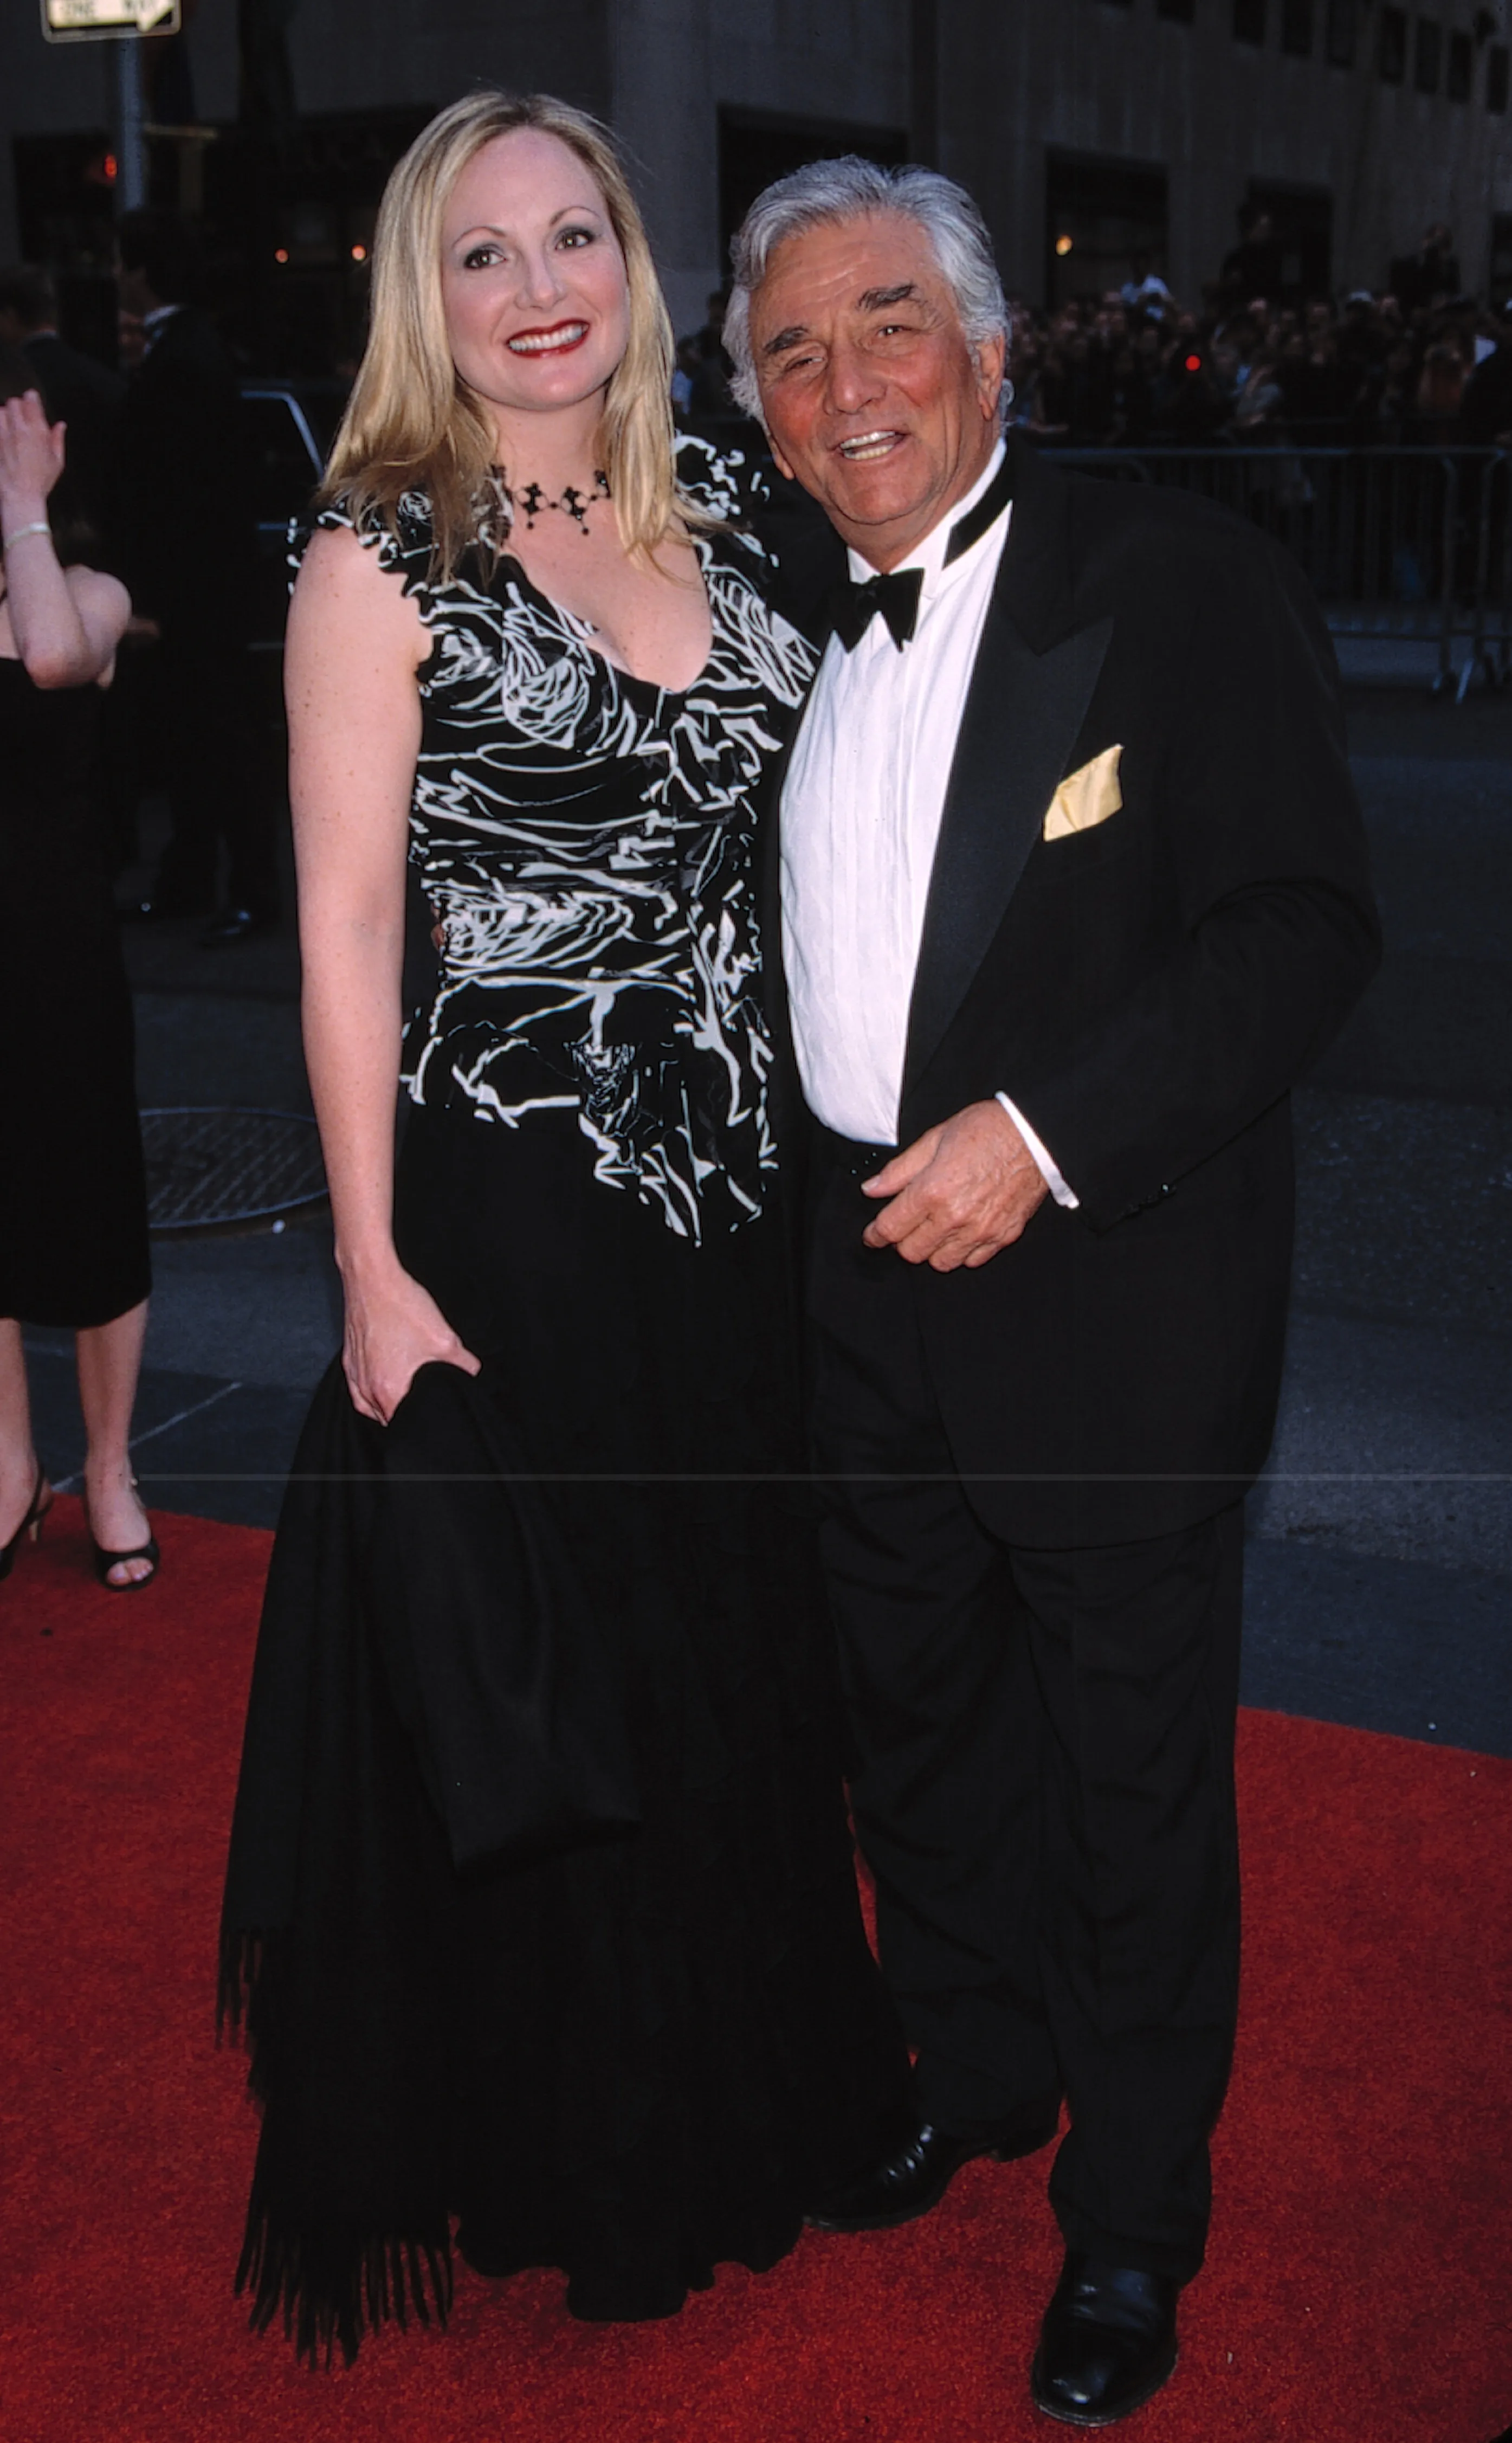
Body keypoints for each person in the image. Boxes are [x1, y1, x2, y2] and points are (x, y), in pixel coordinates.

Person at [218, 91, 908, 2365]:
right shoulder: (375, 552)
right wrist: (364, 1265)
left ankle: (766, 2086)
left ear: (633, 257)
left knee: (733, 1644)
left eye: (575, 235)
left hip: (735, 1218)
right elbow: (336, 933)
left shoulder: (728, 499)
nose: (539, 291)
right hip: (511, 1211)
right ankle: (596, 2150)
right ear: (429, 289)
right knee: (574, 1681)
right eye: (486, 252)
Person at [723, 158, 1379, 2426]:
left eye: (885, 321)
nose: (846, 380)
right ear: (767, 417)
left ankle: (1129, 2216)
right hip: (855, 1284)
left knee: (1125, 1780)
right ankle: (976, 2067)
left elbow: (1297, 922)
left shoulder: (1176, 583)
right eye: (793, 352)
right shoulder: (778, 616)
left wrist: (1047, 1135)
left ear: (990, 351)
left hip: (1105, 1285)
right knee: (910, 1729)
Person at [0, 365, 159, 1591]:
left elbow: (50, 652)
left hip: (62, 955)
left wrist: (25, 511)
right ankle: (12, 1469)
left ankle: (109, 1468)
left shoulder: (93, 594)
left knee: (96, 1209)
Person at [113, 208, 276, 944]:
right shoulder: (189, 350)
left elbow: (185, 502)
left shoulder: (181, 360)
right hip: (205, 592)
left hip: (198, 598)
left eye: (123, 264)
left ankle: (247, 890)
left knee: (218, 747)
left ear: (142, 271)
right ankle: (198, 881)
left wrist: (164, 609)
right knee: (195, 745)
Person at [0, 264, 125, 538]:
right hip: (109, 524)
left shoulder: (15, 383)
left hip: (38, 526)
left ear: (8, 316)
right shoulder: (101, 377)